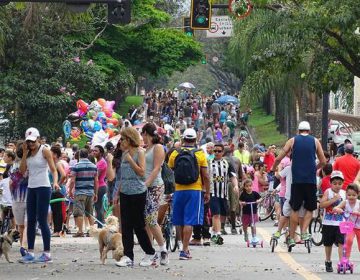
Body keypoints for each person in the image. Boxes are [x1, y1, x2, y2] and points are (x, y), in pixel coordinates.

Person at [271, 121, 326, 248]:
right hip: (310, 181)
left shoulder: (292, 141)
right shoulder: (315, 141)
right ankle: (304, 232)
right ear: (309, 130)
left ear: (298, 130)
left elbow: (279, 158)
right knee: (310, 208)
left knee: (294, 208)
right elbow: (323, 161)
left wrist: (274, 167)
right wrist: (314, 168)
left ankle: (291, 237)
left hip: (297, 181)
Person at [115, 127, 156, 267]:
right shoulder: (123, 153)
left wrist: (130, 160)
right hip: (125, 192)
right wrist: (117, 193)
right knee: (125, 225)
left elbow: (142, 172)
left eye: (123, 139)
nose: (120, 142)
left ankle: (150, 252)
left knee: (138, 225)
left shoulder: (140, 152)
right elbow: (122, 176)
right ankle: (128, 256)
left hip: (138, 192)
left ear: (129, 139)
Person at [168, 128, 210, 260]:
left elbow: (169, 173)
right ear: (195, 139)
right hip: (194, 190)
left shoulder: (175, 153)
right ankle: (185, 250)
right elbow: (206, 175)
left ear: (183, 139)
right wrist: (207, 191)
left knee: (179, 220)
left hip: (178, 190)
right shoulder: (200, 154)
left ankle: (182, 245)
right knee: (189, 221)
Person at [19, 127, 59, 263]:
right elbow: (22, 170)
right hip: (31, 187)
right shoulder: (28, 153)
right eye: (28, 142)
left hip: (43, 187)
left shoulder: (45, 150)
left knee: (42, 220)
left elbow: (53, 169)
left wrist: (55, 182)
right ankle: (30, 252)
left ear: (38, 138)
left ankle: (47, 253)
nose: (30, 144)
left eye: (32, 141)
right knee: (30, 220)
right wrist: (24, 153)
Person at [141, 123, 168, 265]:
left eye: (142, 134)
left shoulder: (158, 148)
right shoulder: (145, 149)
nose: (142, 137)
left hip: (155, 186)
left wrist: (146, 184)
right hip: (144, 186)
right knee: (146, 221)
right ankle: (149, 251)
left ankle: (163, 250)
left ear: (146, 133)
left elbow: (157, 168)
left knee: (151, 219)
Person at [208, 144, 239, 244]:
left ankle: (214, 231)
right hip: (212, 192)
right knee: (216, 214)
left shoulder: (227, 163)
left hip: (223, 193)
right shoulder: (209, 162)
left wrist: (235, 186)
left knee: (223, 213)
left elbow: (233, 176)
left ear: (222, 152)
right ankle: (216, 234)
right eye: (215, 151)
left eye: (219, 151)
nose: (216, 153)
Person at [319, 170, 346, 272]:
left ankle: (341, 262)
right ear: (331, 183)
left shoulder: (344, 193)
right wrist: (333, 200)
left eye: (339, 183)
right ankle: (328, 261)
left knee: (341, 243)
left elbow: (347, 206)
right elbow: (322, 205)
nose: (337, 186)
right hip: (328, 222)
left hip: (341, 223)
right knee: (328, 243)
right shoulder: (328, 192)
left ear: (343, 183)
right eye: (334, 183)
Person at [69, 149, 98, 237]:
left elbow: (72, 180)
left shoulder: (76, 166)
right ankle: (92, 232)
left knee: (79, 213)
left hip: (80, 192)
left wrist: (70, 191)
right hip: (90, 192)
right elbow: (96, 181)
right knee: (89, 213)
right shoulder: (94, 166)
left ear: (79, 156)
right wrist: (96, 193)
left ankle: (80, 231)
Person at [8, 141, 28, 256]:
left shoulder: (13, 167)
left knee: (20, 225)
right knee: (28, 224)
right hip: (29, 197)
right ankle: (24, 246)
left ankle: (22, 245)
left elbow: (11, 184)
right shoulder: (29, 165)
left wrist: (12, 195)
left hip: (16, 199)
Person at [333, 184, 360, 260]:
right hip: (349, 226)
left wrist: (358, 213)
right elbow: (335, 208)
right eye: (349, 195)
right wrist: (338, 209)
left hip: (359, 227)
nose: (351, 197)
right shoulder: (345, 202)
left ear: (358, 194)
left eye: (354, 195)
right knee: (348, 240)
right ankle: (346, 259)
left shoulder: (358, 203)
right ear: (346, 194)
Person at [49, 146, 67, 237]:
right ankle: (56, 230)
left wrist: (57, 184)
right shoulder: (52, 163)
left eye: (50, 152)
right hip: (54, 190)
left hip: (57, 190)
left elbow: (64, 175)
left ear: (55, 154)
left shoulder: (57, 163)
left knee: (58, 211)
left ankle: (57, 231)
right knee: (54, 210)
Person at [92, 145, 108, 228]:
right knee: (97, 207)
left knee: (99, 207)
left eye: (96, 151)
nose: (94, 152)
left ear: (101, 153)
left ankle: (100, 226)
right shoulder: (98, 161)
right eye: (93, 151)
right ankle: (100, 225)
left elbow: (96, 176)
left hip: (100, 187)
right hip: (98, 186)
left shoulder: (102, 162)